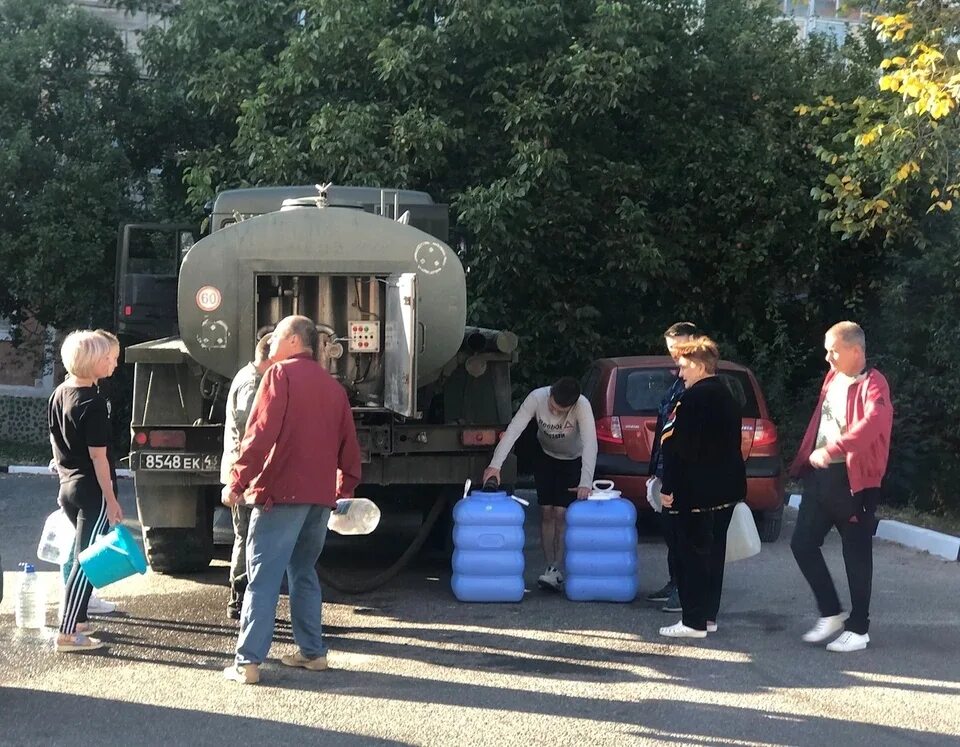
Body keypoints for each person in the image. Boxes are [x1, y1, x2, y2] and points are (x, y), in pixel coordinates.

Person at [222, 315, 362, 684]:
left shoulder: (278, 376)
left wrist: (237, 481)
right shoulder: (334, 389)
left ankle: (248, 662)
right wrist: (345, 488)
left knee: (263, 579)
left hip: (279, 495)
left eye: (277, 337)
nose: (270, 344)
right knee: (304, 572)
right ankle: (313, 653)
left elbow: (259, 434)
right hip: (319, 497)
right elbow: (350, 445)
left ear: (295, 341)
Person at [789, 321, 892, 652]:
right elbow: (821, 423)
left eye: (833, 350)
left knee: (856, 552)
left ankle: (859, 628)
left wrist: (832, 450)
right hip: (820, 477)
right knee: (802, 543)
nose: (827, 358)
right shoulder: (832, 377)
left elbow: (873, 424)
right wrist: (807, 457)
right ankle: (831, 612)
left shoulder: (874, 384)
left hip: (854, 482)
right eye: (826, 350)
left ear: (855, 351)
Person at [658, 337, 745, 640]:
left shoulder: (691, 399)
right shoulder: (728, 394)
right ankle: (708, 617)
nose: (680, 373)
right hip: (725, 490)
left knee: (690, 556)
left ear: (697, 364)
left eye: (682, 366)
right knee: (714, 555)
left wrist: (668, 487)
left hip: (694, 492)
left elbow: (676, 447)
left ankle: (692, 621)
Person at [482, 377, 598, 592]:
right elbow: (513, 431)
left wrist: (585, 482)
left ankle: (559, 567)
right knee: (546, 512)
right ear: (550, 395)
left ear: (572, 405)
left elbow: (591, 443)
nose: (554, 413)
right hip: (545, 455)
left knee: (561, 513)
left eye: (560, 411)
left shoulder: (582, 405)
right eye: (552, 407)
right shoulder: (537, 397)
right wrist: (495, 466)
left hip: (572, 459)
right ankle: (549, 567)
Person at [49, 330, 124, 652]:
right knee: (87, 560)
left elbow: (55, 444)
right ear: (93, 362)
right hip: (90, 491)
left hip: (69, 486)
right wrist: (112, 500)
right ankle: (68, 633)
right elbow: (99, 457)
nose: (114, 363)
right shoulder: (92, 402)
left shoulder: (60, 393)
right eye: (109, 358)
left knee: (82, 556)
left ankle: (77, 620)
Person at [645, 321, 700, 614]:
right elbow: (664, 430)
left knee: (684, 531)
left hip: (686, 470)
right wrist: (655, 469)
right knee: (670, 528)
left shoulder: (699, 380)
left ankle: (686, 589)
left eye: (678, 347)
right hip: (668, 466)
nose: (674, 354)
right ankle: (675, 581)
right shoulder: (678, 380)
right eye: (670, 349)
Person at [221, 332, 273, 620]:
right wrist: (242, 480)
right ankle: (240, 598)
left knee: (248, 535)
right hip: (247, 476)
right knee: (248, 536)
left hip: (244, 474)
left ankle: (243, 598)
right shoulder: (254, 384)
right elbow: (250, 434)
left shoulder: (248, 374)